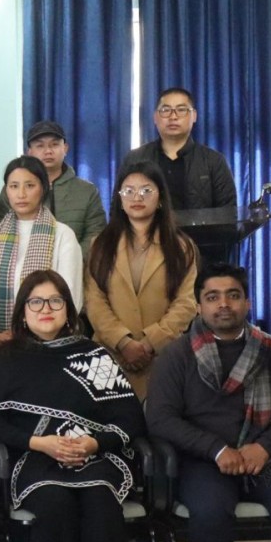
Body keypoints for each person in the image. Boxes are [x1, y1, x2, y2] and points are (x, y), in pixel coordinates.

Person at [0, 270, 145, 542]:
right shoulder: (7, 358)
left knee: (101, 506)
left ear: (69, 309)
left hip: (95, 458)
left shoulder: (94, 355)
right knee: (57, 506)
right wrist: (40, 443)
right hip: (33, 460)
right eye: (36, 302)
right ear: (23, 311)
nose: (46, 308)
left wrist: (95, 442)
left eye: (55, 300)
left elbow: (129, 416)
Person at [146, 263, 271, 542]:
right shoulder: (177, 354)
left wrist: (263, 447)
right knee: (210, 511)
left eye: (233, 296)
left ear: (247, 303)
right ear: (199, 306)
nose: (223, 305)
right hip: (203, 461)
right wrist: (217, 450)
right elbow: (161, 419)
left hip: (263, 457)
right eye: (212, 297)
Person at [85, 160, 198, 400]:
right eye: (129, 190)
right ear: (119, 199)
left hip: (163, 357)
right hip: (110, 357)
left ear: (160, 199)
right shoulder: (101, 244)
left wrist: (149, 343)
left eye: (146, 190)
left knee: (161, 426)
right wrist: (123, 342)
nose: (137, 197)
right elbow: (94, 301)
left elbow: (186, 303)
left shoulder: (181, 246)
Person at [0, 156, 83, 360]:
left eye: (29, 185)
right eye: (13, 186)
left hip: (49, 347)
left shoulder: (62, 235)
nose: (21, 194)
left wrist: (41, 332)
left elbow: (70, 295)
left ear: (43, 188)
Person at [0, 120, 106, 257]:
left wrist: (69, 259)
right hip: (25, 267)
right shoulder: (14, 191)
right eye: (40, 146)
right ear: (29, 152)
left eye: (54, 144)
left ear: (65, 148)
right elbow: (3, 228)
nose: (48, 151)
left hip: (76, 267)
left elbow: (95, 233)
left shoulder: (86, 191)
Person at [122, 87, 236, 212]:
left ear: (194, 116)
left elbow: (228, 212)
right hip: (149, 232)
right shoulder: (135, 159)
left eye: (181, 110)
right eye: (165, 110)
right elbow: (119, 209)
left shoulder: (213, 161)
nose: (173, 116)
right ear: (155, 117)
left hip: (199, 232)